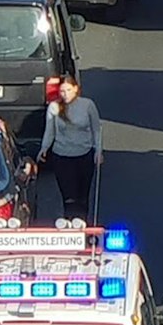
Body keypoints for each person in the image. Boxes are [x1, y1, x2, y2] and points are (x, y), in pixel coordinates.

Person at [37, 77, 103, 221]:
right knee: (68, 195)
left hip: (84, 154)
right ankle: (69, 223)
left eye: (68, 90)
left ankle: (83, 224)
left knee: (82, 195)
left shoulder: (87, 105)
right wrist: (44, 148)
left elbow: (96, 129)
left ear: (76, 89)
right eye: (62, 91)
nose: (65, 94)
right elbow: (50, 131)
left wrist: (98, 151)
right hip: (62, 155)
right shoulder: (54, 107)